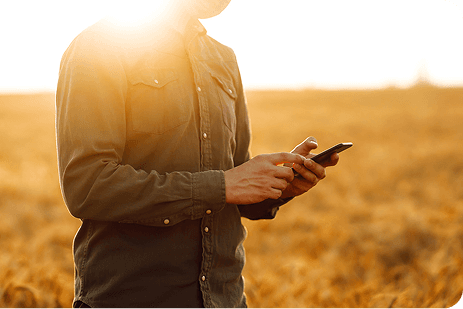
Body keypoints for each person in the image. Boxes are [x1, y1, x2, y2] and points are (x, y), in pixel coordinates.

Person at [55, 0, 338, 308]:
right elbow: (88, 185)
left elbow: (235, 180)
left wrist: (279, 186)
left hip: (226, 298)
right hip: (133, 298)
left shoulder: (223, 58)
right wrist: (221, 186)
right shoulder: (98, 47)